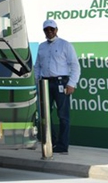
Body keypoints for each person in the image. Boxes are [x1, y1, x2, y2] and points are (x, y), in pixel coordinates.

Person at [33, 19, 80, 155]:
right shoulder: (42, 46)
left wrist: (72, 83)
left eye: (51, 29)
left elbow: (75, 66)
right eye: (46, 30)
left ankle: (62, 145)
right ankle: (50, 141)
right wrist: (36, 82)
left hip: (61, 82)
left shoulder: (65, 45)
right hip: (45, 83)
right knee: (45, 114)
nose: (49, 32)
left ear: (56, 30)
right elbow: (38, 66)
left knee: (63, 115)